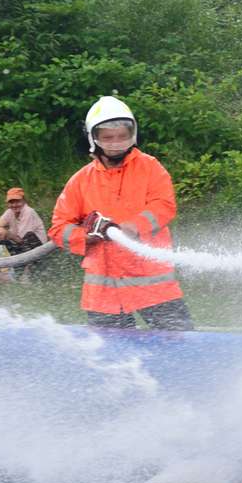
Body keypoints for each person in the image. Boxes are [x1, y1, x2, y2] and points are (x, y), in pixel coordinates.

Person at [50, 96, 193, 330]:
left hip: (154, 287)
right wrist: (85, 237)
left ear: (133, 135)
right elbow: (58, 227)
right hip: (104, 294)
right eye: (108, 138)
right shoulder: (81, 181)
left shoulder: (150, 168)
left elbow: (164, 205)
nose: (116, 143)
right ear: (93, 138)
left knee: (180, 349)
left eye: (122, 136)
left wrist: (135, 226)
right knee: (112, 360)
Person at [0, 187, 47, 256]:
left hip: (37, 246)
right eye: (11, 202)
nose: (14, 205)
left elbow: (21, 240)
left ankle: (27, 264)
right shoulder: (10, 211)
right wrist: (0, 230)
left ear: (24, 201)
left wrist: (7, 233)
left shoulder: (28, 212)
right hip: (20, 245)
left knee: (29, 236)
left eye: (17, 201)